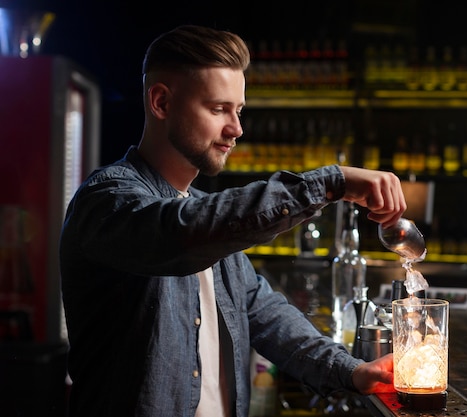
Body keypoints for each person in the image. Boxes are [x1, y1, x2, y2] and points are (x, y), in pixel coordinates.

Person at [60, 24, 407, 417]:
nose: (236, 129)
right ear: (161, 103)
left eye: (238, 110)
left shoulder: (209, 218)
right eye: (218, 109)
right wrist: (330, 184)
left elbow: (266, 315)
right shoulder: (106, 201)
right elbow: (181, 233)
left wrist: (355, 371)